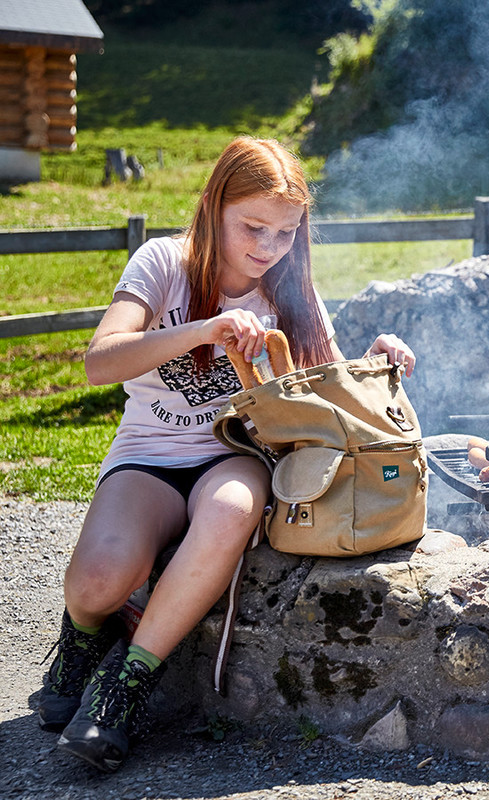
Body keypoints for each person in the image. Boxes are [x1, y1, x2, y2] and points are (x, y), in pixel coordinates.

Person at [38, 136, 416, 772]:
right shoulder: (164, 262)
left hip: (235, 453)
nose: (269, 248)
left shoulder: (290, 292)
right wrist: (205, 330)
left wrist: (377, 356)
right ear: (215, 206)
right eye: (254, 226)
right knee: (100, 582)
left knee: (233, 508)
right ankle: (82, 635)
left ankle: (124, 687)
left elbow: (329, 389)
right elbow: (99, 361)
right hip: (149, 453)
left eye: (286, 232)